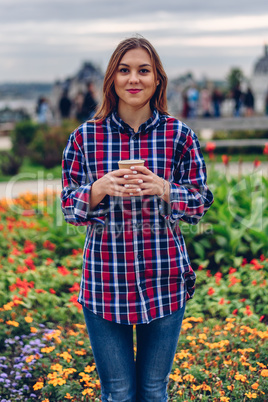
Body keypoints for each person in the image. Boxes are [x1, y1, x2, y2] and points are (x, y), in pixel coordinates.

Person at [61, 36, 213, 402]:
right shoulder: (86, 137)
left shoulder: (179, 136)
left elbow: (199, 204)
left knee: (152, 390)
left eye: (143, 71)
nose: (134, 79)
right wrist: (98, 188)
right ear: (112, 79)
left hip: (164, 279)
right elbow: (68, 206)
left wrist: (164, 188)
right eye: (124, 70)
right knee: (117, 392)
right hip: (105, 281)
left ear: (157, 79)